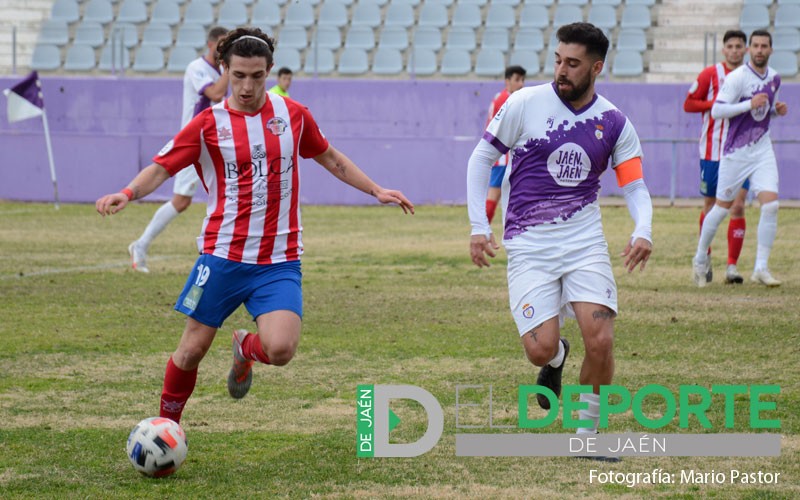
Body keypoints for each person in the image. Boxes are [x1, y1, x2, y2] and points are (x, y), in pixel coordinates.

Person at [96, 27, 414, 425]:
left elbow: (330, 157)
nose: (247, 86)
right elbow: (162, 168)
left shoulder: (293, 116)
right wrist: (128, 192)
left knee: (280, 350)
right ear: (224, 69)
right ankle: (166, 429)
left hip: (279, 260)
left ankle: (245, 349)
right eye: (239, 75)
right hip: (222, 255)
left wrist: (376, 189)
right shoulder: (208, 124)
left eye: (257, 76)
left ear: (269, 72)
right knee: (192, 349)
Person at [467, 22, 652, 460]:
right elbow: (482, 158)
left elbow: (635, 185)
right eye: (558, 60)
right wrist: (479, 225)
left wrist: (643, 228)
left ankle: (587, 437)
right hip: (529, 245)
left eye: (572, 63)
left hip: (584, 242)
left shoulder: (613, 122)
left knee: (602, 337)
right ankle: (555, 360)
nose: (561, 71)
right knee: (540, 349)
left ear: (596, 67)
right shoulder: (524, 102)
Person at [128, 26, 230, 273]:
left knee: (228, 194)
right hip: (195, 142)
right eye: (223, 46)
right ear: (211, 44)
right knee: (182, 200)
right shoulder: (197, 68)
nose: (226, 51)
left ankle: (222, 253)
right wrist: (229, 70)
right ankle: (140, 245)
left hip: (218, 141)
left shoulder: (220, 70)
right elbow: (216, 93)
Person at [693, 30, 787, 288]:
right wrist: (748, 104)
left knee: (770, 206)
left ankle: (761, 268)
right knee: (720, 208)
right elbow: (717, 110)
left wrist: (776, 111)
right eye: (755, 45)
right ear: (749, 50)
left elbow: (763, 111)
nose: (759, 50)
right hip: (735, 152)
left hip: (762, 149)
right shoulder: (737, 78)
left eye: (763, 46)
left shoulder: (775, 78)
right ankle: (700, 258)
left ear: (770, 49)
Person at [684, 30, 749, 284]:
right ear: (724, 50)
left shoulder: (752, 77)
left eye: (738, 46)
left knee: (738, 206)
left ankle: (732, 268)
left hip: (743, 152)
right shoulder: (710, 74)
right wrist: (715, 105)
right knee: (711, 207)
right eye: (730, 46)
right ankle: (705, 257)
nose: (734, 50)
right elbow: (689, 104)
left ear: (745, 50)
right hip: (712, 152)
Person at [485, 65, 526, 224]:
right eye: (517, 80)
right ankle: (482, 232)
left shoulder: (500, 97)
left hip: (501, 157)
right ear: (507, 81)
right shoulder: (507, 99)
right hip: (504, 158)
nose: (521, 84)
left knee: (500, 198)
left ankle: (483, 232)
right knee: (501, 198)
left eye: (522, 80)